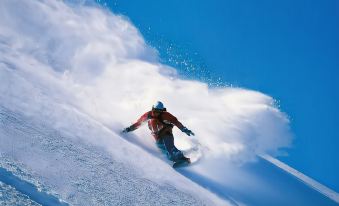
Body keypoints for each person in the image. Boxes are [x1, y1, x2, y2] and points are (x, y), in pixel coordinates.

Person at [122, 101, 194, 163]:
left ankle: (183, 159)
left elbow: (176, 122)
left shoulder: (166, 115)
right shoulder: (148, 115)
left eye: (158, 112)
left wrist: (184, 129)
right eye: (155, 111)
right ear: (153, 109)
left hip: (166, 131)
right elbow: (138, 124)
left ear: (162, 111)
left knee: (169, 146)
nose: (156, 113)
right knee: (162, 149)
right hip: (156, 134)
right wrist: (128, 129)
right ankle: (173, 160)